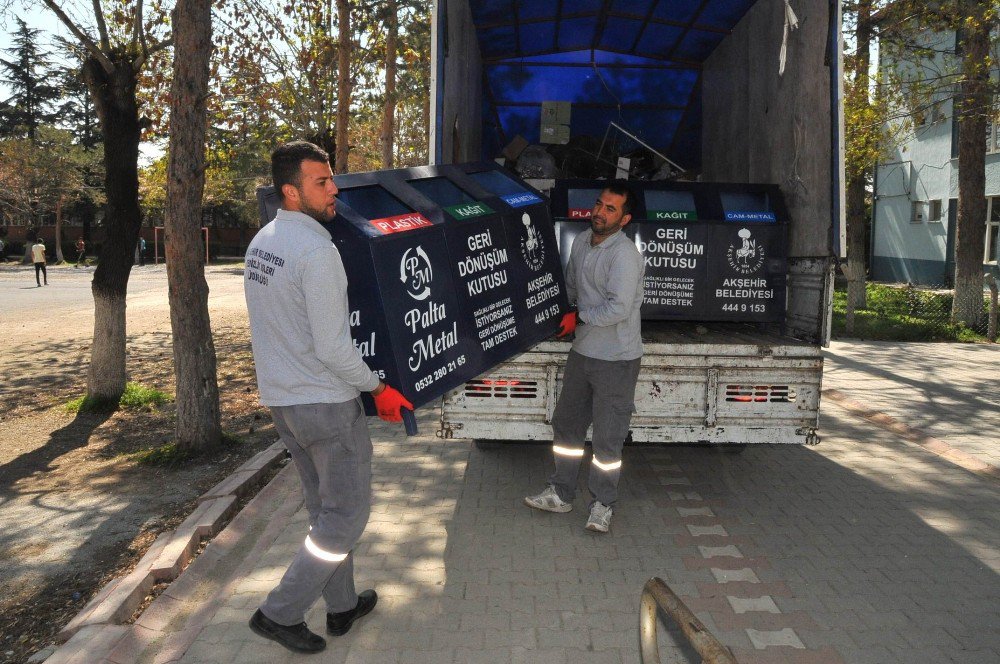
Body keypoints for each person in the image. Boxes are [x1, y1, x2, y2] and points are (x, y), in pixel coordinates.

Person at [243, 140, 413, 654]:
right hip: (325, 406)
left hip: (285, 403)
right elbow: (335, 349)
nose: (334, 188)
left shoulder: (261, 244)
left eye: (331, 178)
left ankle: (341, 607)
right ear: (291, 191)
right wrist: (379, 387)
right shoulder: (316, 250)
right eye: (322, 181)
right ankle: (279, 612)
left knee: (325, 514)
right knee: (345, 518)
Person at [524, 181, 644, 533]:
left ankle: (602, 505)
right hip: (583, 352)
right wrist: (560, 310)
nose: (600, 213)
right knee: (567, 423)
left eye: (611, 209)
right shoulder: (580, 242)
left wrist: (579, 316)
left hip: (617, 358)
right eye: (599, 204)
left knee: (607, 436)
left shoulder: (625, 256)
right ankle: (561, 494)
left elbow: (619, 308)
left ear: (624, 219)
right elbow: (572, 288)